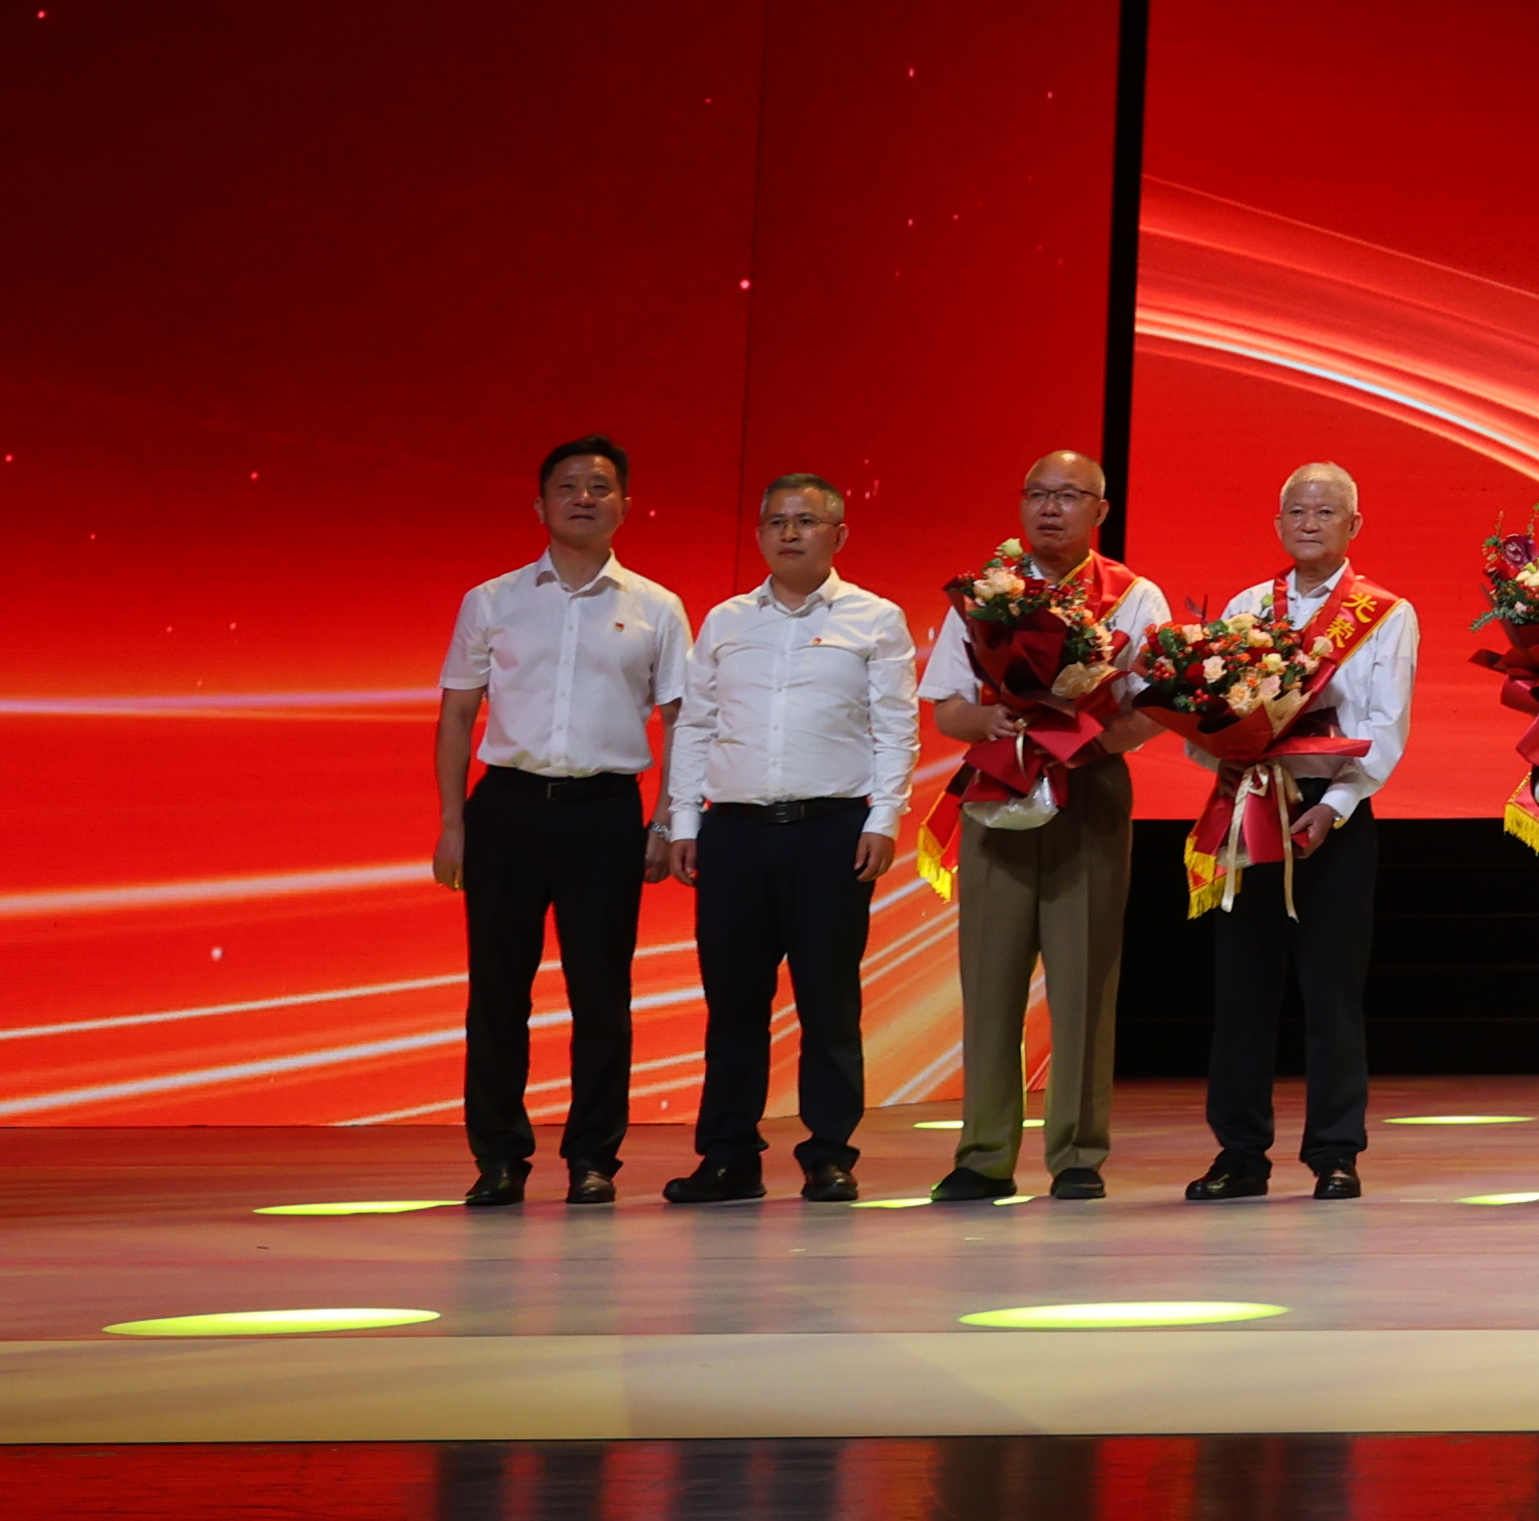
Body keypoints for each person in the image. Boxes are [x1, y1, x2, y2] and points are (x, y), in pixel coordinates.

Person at [432, 437, 692, 1208]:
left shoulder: (657, 607)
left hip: (605, 815)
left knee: (602, 993)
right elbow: (457, 715)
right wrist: (452, 822)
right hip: (507, 809)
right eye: (568, 486)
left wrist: (667, 822)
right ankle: (499, 1158)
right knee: (497, 992)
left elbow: (682, 721)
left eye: (600, 487)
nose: (584, 498)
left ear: (625, 506)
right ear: (539, 504)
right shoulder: (492, 600)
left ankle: (593, 1159)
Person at [918, 451, 1169, 1204]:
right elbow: (947, 707)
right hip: (999, 787)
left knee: (1084, 978)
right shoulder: (985, 593)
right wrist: (991, 721)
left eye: (1068, 495)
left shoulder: (1133, 596)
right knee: (989, 978)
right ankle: (984, 1154)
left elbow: (1156, 705)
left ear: (1101, 510)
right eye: (1037, 494)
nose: (1050, 508)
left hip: (1089, 789)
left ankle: (1078, 1153)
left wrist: (1082, 740)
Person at [657, 473, 914, 1204]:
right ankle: (729, 1156)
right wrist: (684, 821)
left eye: (806, 520)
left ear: (839, 534)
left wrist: (883, 819)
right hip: (733, 831)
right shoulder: (726, 620)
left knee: (828, 1004)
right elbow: (696, 725)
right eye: (776, 521)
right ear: (760, 535)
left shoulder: (875, 618)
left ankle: (828, 1153)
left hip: (830, 832)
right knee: (733, 1005)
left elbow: (896, 727)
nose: (790, 533)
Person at [1189, 461, 1421, 1204]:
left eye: (1326, 511)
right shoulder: (1248, 605)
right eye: (1297, 511)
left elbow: (1386, 724)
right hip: (1253, 801)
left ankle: (1334, 1151)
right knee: (1242, 987)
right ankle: (1239, 1154)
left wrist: (1337, 805)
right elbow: (1211, 707)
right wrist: (1221, 760)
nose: (1310, 523)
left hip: (1333, 811)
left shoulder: (1387, 613)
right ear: (1278, 523)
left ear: (1355, 525)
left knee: (1332, 991)